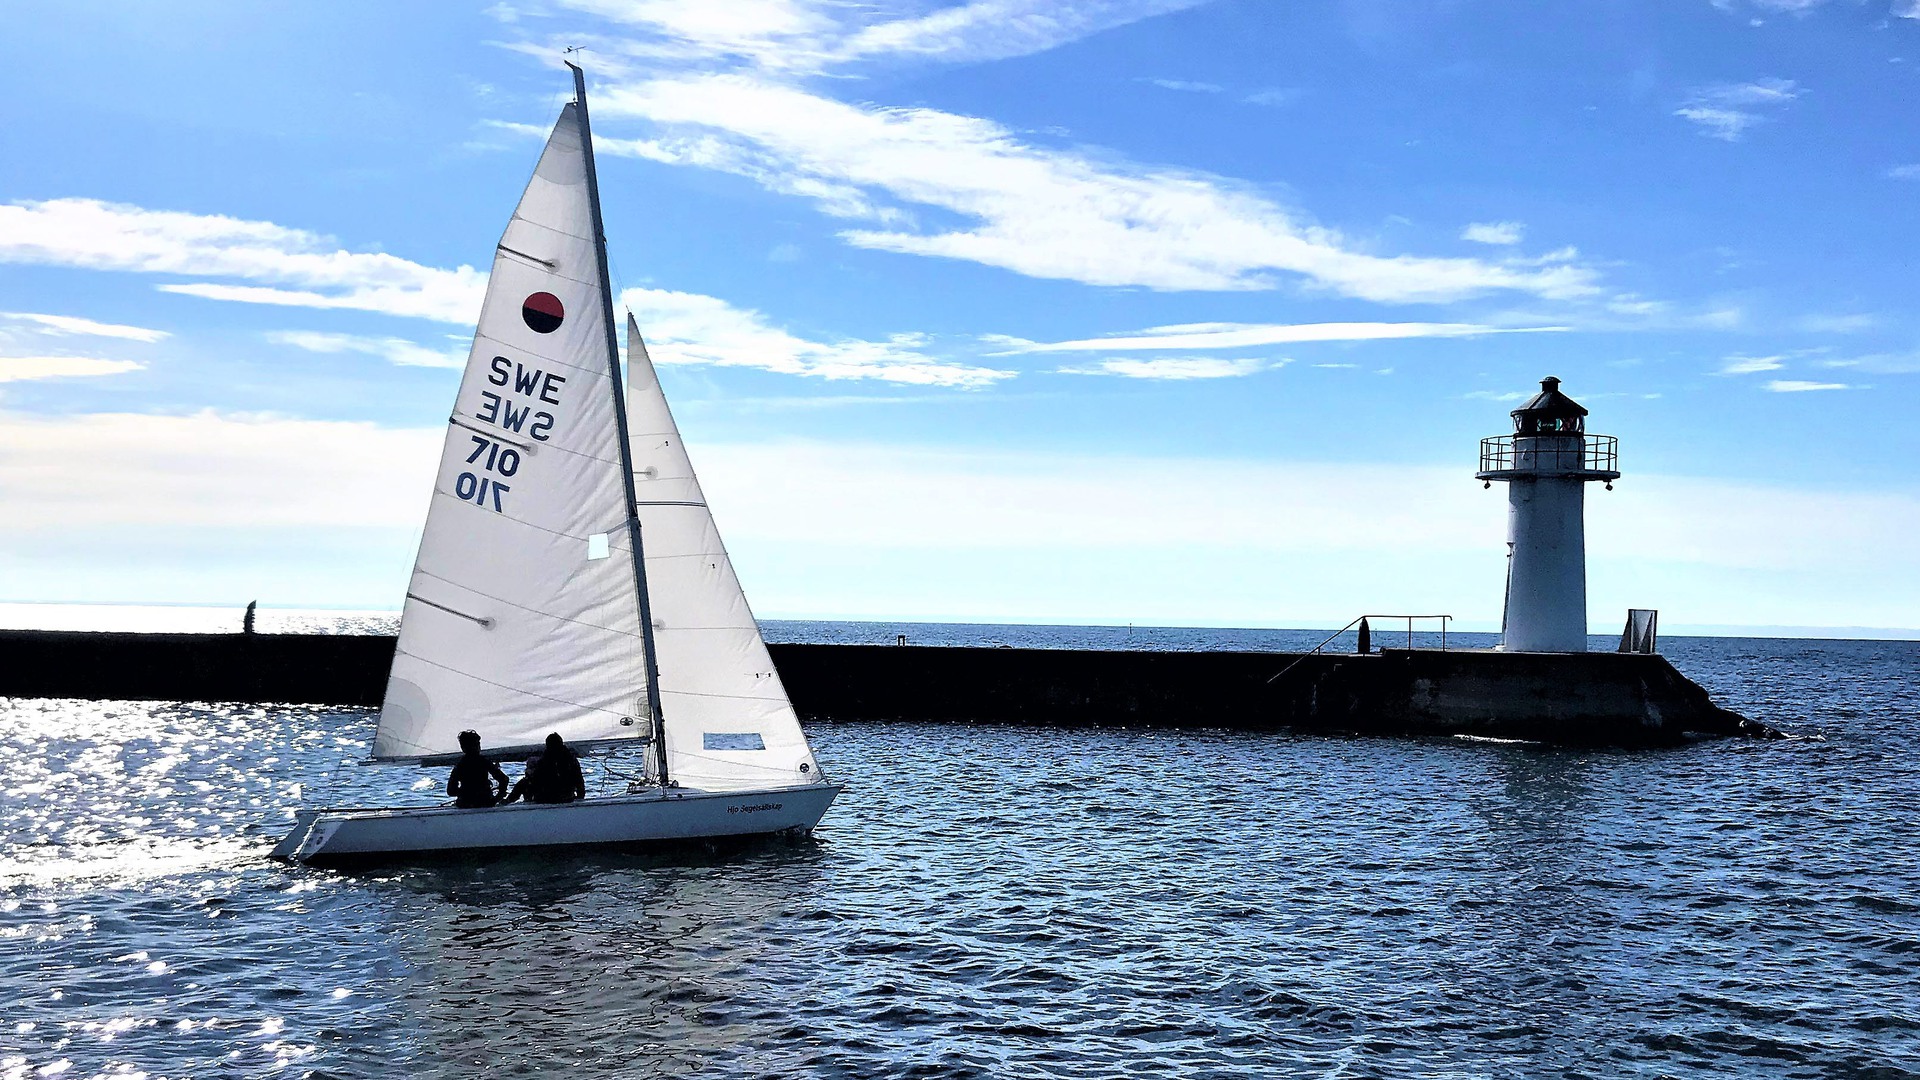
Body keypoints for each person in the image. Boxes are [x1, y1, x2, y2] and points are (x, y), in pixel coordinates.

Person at [503, 732, 586, 805]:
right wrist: (579, 800)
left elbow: (533, 780)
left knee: (525, 783)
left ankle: (509, 801)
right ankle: (511, 800)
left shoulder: (547, 760)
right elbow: (579, 781)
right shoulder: (569, 760)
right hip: (563, 797)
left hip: (549, 798)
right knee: (525, 783)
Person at [446, 729, 509, 809]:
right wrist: (498, 797)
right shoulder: (484, 762)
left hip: (465, 804)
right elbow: (504, 779)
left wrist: (466, 793)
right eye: (477, 744)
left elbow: (451, 791)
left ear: (462, 748)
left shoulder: (460, 765)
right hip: (486, 803)